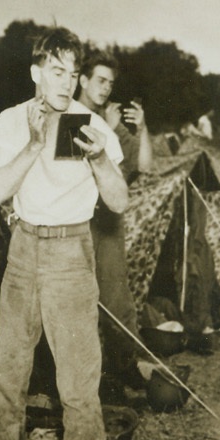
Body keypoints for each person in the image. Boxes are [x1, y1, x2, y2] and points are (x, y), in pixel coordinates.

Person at [0, 27, 128, 440]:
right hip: (23, 248)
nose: (66, 80)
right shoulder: (13, 120)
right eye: (56, 70)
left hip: (70, 252)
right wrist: (35, 144)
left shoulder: (94, 127)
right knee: (7, 371)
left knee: (77, 381)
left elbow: (119, 202)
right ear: (36, 73)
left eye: (73, 72)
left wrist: (99, 157)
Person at [75, 49, 155, 390]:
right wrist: (104, 129)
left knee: (116, 296)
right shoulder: (71, 117)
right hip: (75, 221)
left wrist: (142, 127)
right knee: (74, 299)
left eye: (110, 83)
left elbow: (145, 166)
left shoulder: (109, 123)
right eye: (100, 81)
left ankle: (125, 366)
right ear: (82, 80)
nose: (106, 88)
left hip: (106, 222)